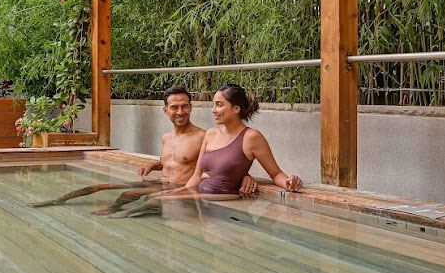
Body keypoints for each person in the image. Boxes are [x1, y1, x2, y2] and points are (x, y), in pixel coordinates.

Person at [31, 86, 254, 214]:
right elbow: (173, 160)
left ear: (191, 108)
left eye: (185, 106)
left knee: (128, 194)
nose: (181, 111)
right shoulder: (167, 137)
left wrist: (245, 174)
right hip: (159, 181)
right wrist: (155, 164)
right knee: (96, 185)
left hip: (178, 188)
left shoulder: (202, 136)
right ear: (165, 110)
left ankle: (112, 212)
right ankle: (55, 201)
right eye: (174, 107)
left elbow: (219, 160)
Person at [112, 83, 302, 217]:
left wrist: (288, 181)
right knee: (154, 198)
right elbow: (196, 175)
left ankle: (120, 219)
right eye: (214, 104)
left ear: (236, 109)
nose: (213, 110)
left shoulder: (252, 137)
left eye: (219, 105)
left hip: (223, 197)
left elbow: (275, 173)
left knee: (153, 201)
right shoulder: (211, 134)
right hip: (200, 193)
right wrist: (179, 193)